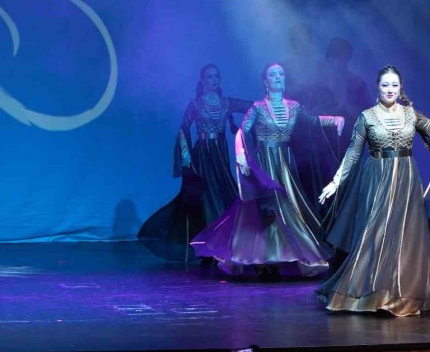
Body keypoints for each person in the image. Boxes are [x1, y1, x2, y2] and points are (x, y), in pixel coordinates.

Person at [316, 65, 430, 316]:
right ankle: (370, 293)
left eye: (394, 85)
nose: (390, 89)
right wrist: (335, 182)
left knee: (407, 235)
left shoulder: (411, 114)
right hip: (376, 180)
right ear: (377, 87)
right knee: (376, 234)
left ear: (401, 87)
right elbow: (353, 153)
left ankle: (402, 294)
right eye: (385, 84)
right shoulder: (366, 117)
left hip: (406, 180)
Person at [190, 63, 344, 278]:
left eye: (281, 73)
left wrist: (335, 119)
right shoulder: (257, 107)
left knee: (290, 210)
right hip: (264, 164)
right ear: (265, 81)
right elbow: (242, 131)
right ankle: (262, 258)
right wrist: (240, 152)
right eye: (273, 74)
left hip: (285, 165)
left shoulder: (294, 106)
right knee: (266, 210)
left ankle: (292, 256)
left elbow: (313, 120)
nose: (278, 77)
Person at [138, 64, 251, 262]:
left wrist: (247, 126)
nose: (213, 80)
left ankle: (225, 241)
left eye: (216, 76)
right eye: (209, 77)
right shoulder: (196, 104)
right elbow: (183, 128)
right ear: (203, 81)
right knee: (206, 197)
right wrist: (186, 154)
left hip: (220, 153)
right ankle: (208, 244)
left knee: (224, 192)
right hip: (202, 154)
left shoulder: (227, 102)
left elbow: (252, 107)